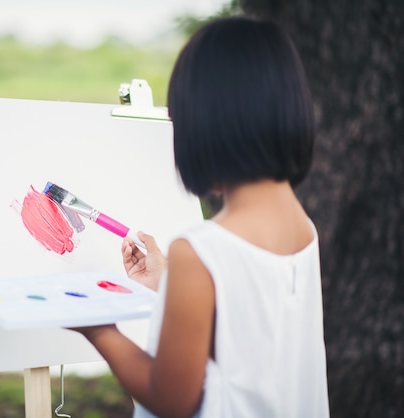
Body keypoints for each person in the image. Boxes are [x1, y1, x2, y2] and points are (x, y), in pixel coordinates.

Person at [70, 16, 330, 418]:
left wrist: (100, 330)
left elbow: (171, 400)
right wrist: (171, 282)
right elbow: (248, 323)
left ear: (204, 127)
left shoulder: (201, 250)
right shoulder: (301, 226)